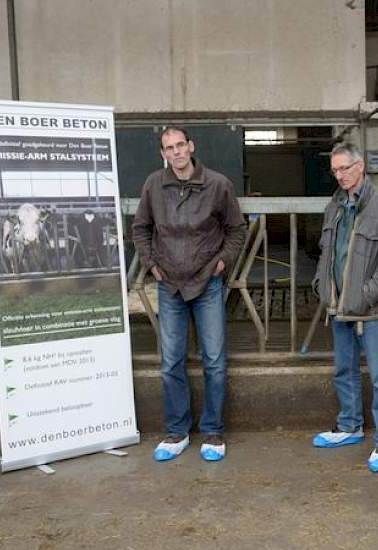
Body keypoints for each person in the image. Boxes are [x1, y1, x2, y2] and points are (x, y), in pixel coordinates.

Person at [131, 127, 246, 462]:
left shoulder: (217, 184)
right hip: (169, 285)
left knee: (214, 360)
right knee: (170, 362)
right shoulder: (154, 184)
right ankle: (177, 431)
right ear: (163, 154)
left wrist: (222, 262)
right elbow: (141, 228)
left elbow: (237, 228)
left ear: (191, 147)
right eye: (169, 148)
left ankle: (213, 431)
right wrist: (152, 264)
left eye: (181, 145)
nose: (177, 152)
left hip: (207, 282)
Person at [311, 142, 378, 473]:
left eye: (345, 169)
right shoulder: (335, 207)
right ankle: (350, 425)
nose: (340, 176)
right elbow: (327, 251)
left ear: (361, 166)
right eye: (335, 170)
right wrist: (323, 286)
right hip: (339, 306)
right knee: (344, 370)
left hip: (371, 310)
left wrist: (365, 294)